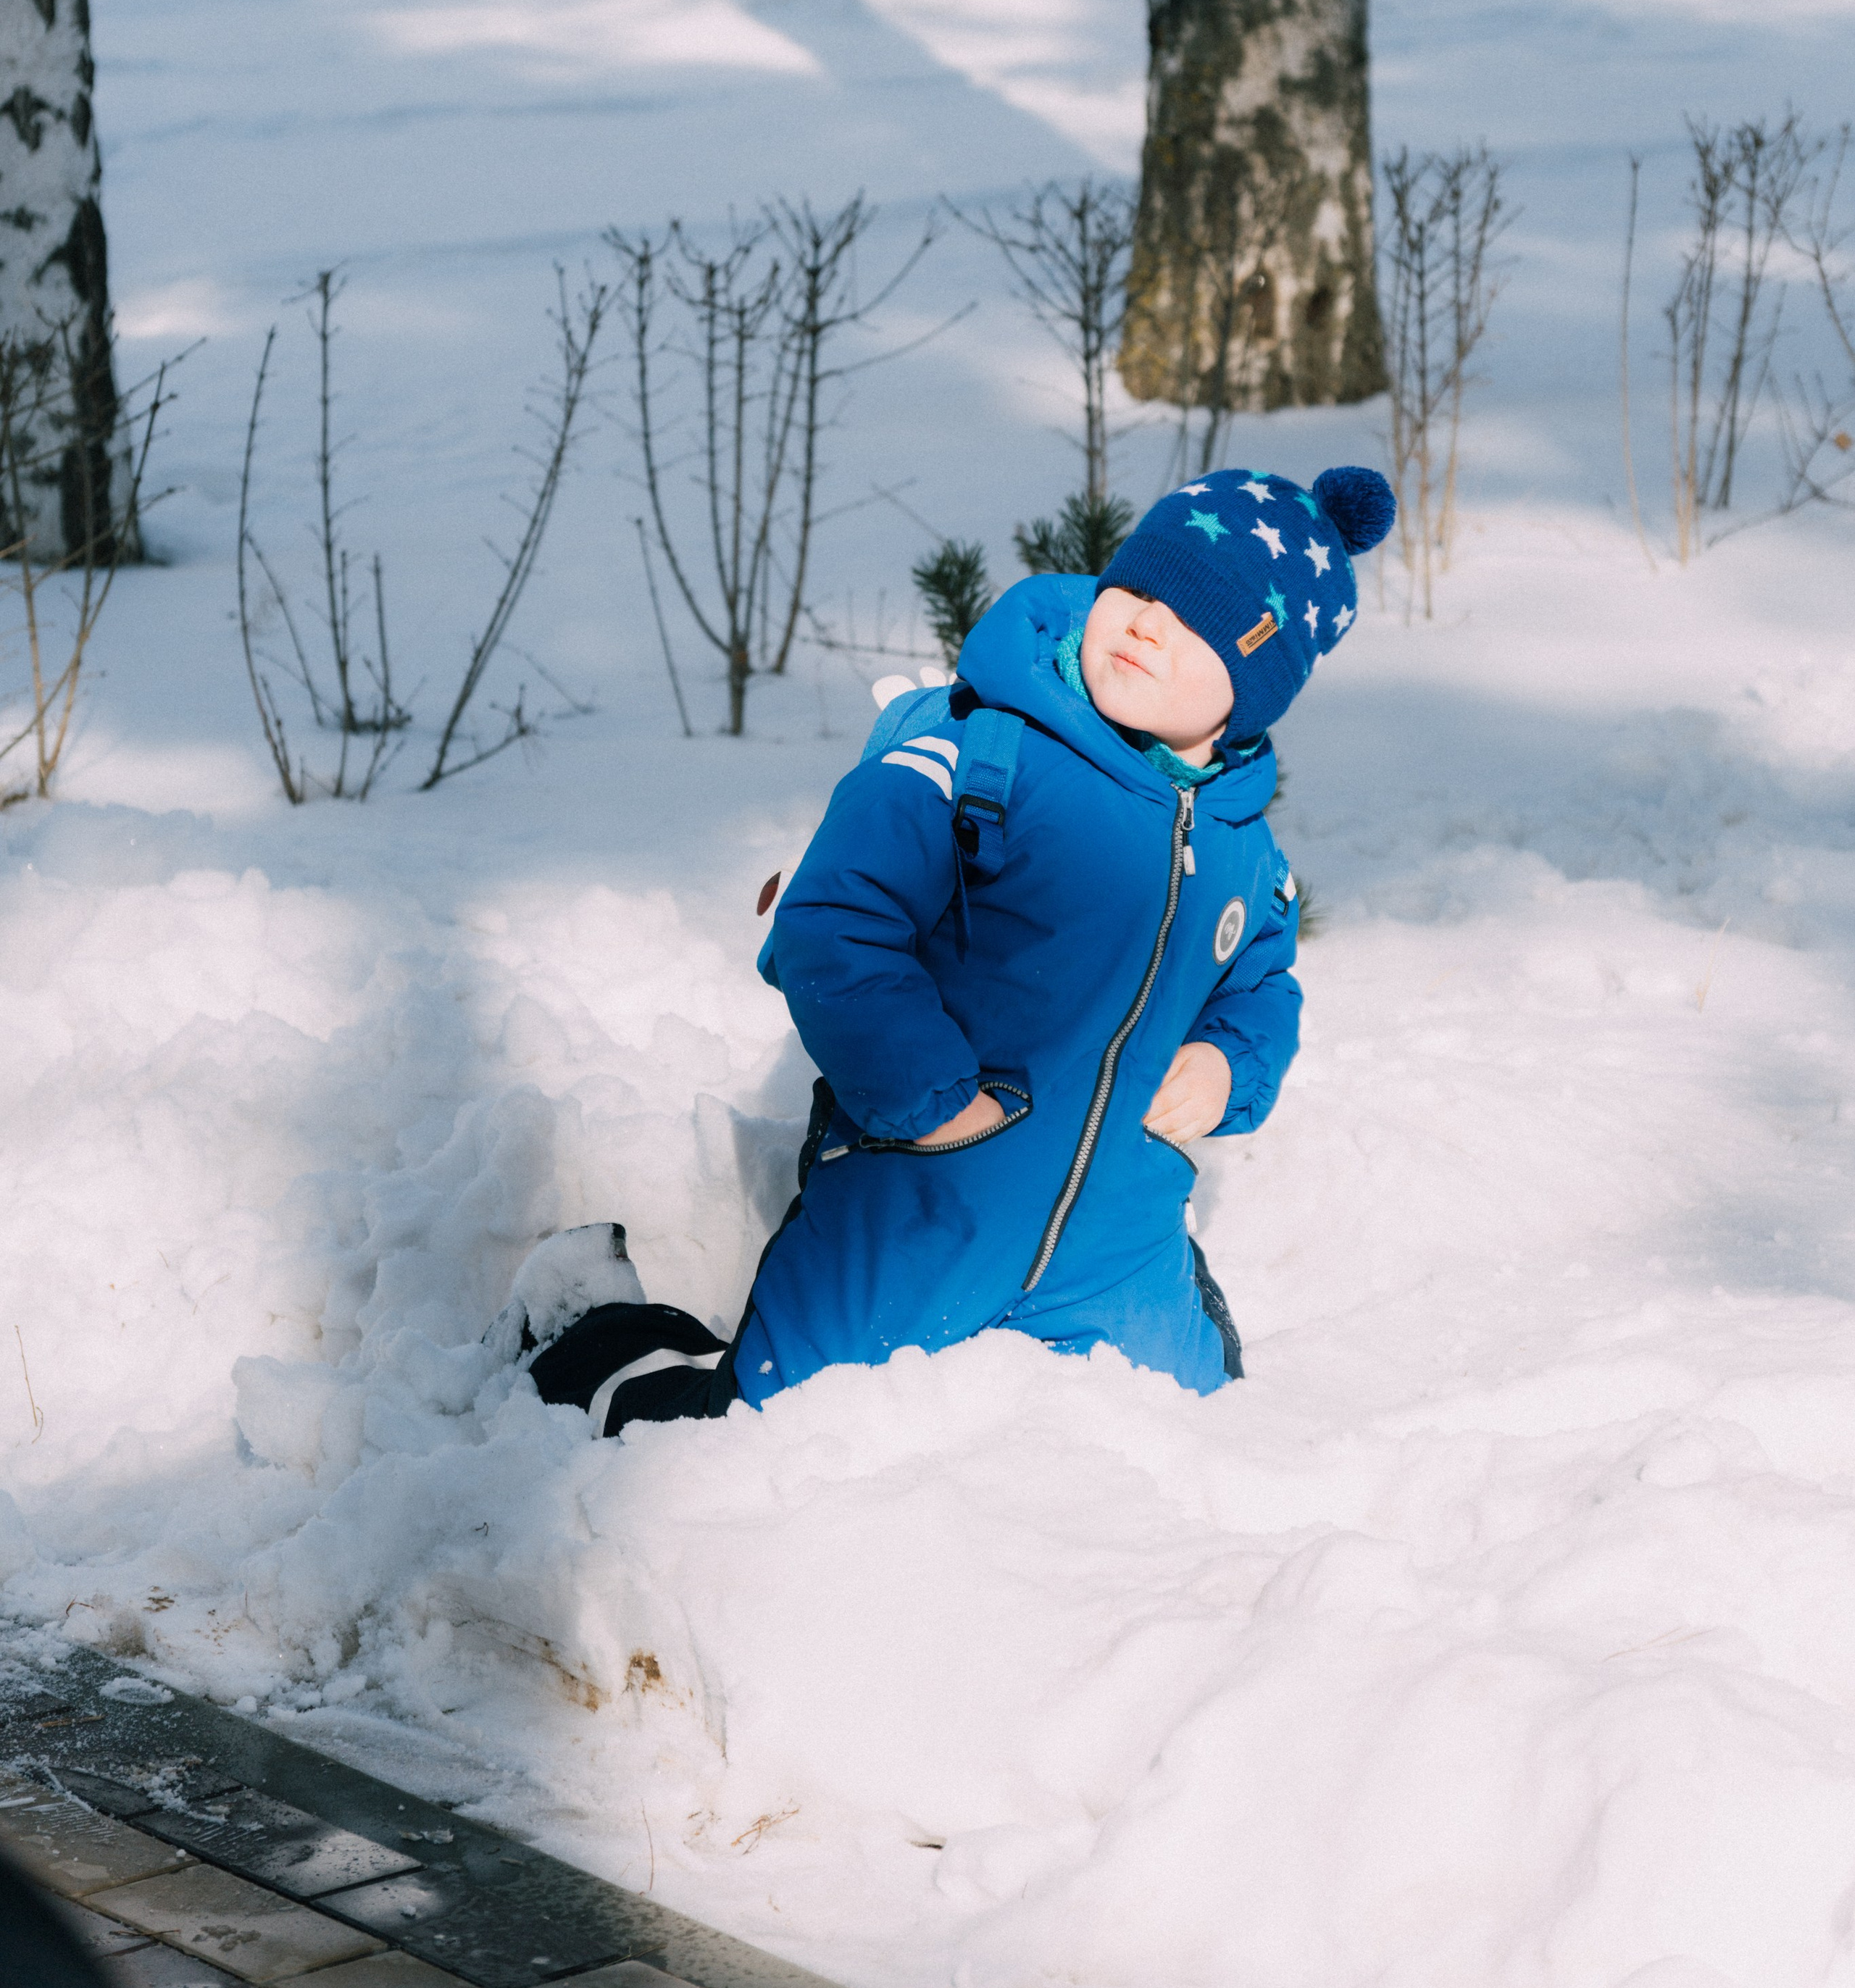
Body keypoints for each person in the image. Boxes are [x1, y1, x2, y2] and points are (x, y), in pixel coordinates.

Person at [495, 464, 1395, 1434]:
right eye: (1136, 589)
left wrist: (1229, 1064)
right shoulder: (978, 756)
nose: (1143, 624)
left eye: (1196, 624)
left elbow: (1262, 985)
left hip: (1112, 1256)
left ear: (1252, 693)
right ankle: (594, 1333)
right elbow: (835, 920)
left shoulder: (1244, 854)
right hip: (921, 1207)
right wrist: (928, 1099)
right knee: (755, 1441)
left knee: (1195, 1432)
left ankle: (1187, 1305)